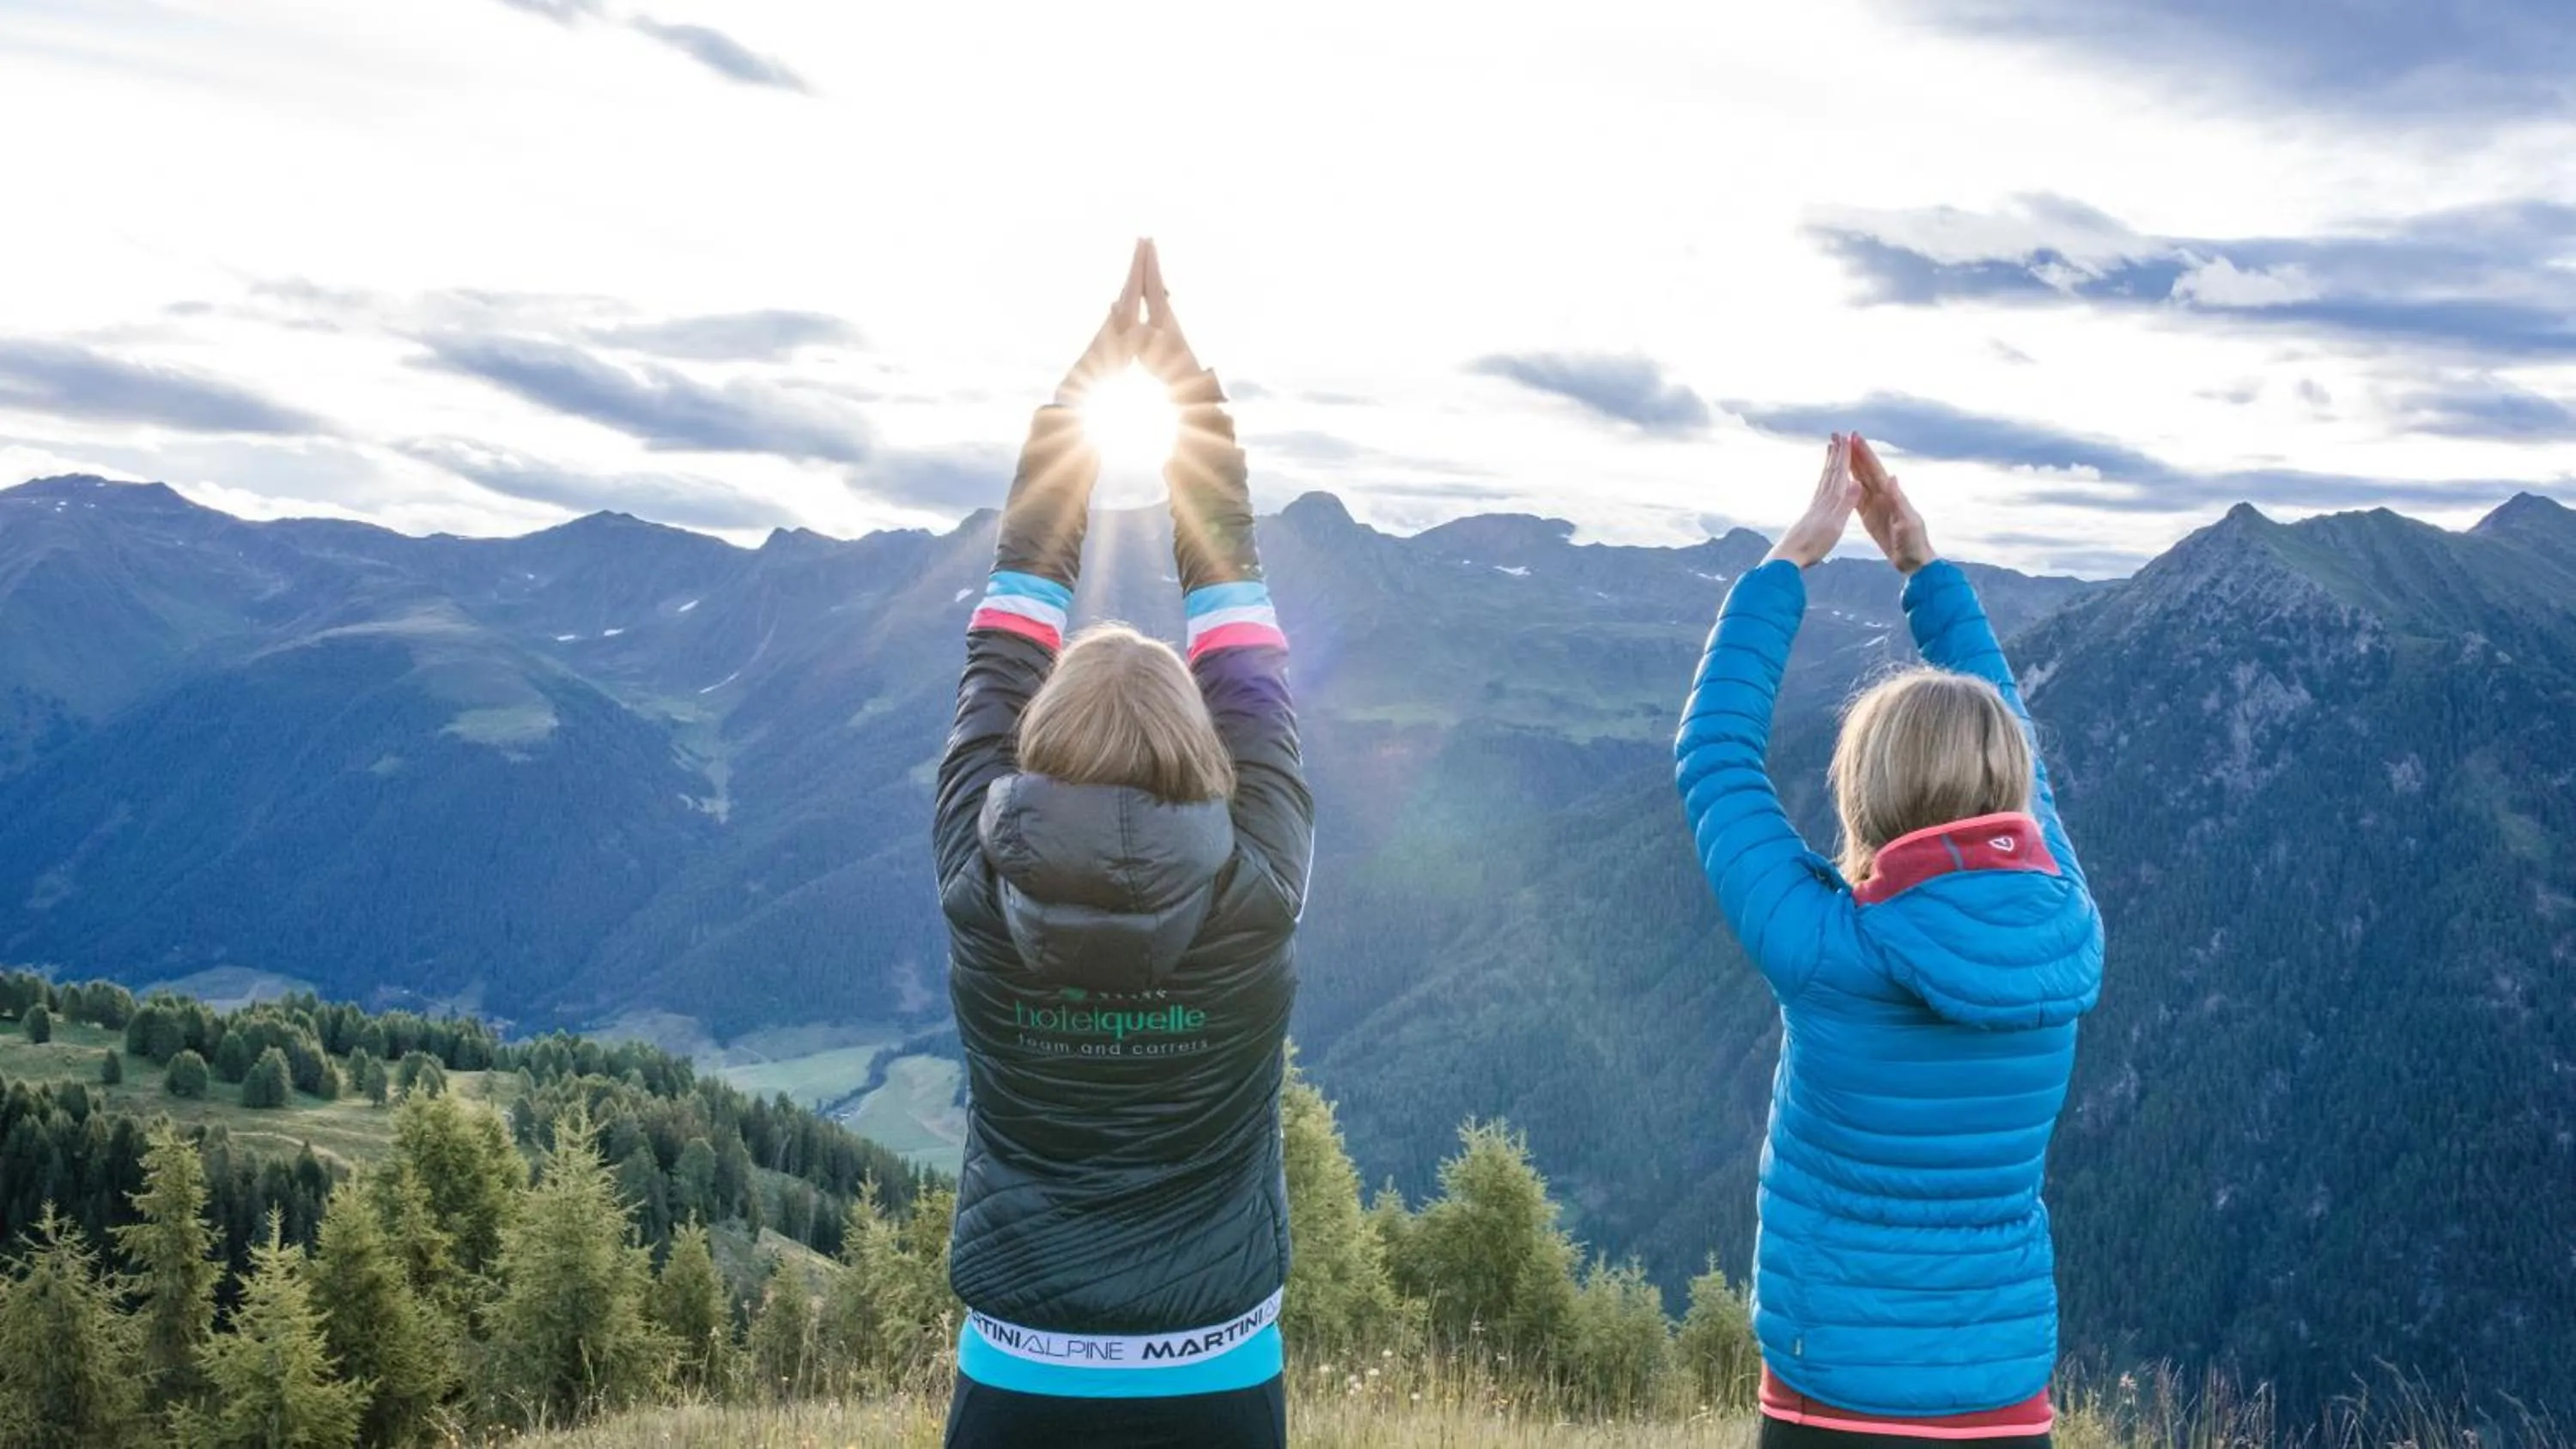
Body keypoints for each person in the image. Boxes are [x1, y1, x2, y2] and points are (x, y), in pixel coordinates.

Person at [932, 239, 1308, 1449]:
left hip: (1019, 1380)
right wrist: (1184, 403)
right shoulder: (1259, 889)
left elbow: (1005, 633)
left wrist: (1082, 406)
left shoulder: (979, 879)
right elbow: (1241, 634)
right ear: (1203, 749)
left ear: (1035, 743)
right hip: (1216, 1377)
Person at [1674, 434, 2105, 1447]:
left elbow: (1714, 753)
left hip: (1831, 1395)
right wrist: (1923, 567)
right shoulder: (2066, 932)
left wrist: (1793, 559)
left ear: (1866, 788)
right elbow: (2025, 767)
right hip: (2004, 1402)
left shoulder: (1828, 948)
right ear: (2007, 789)